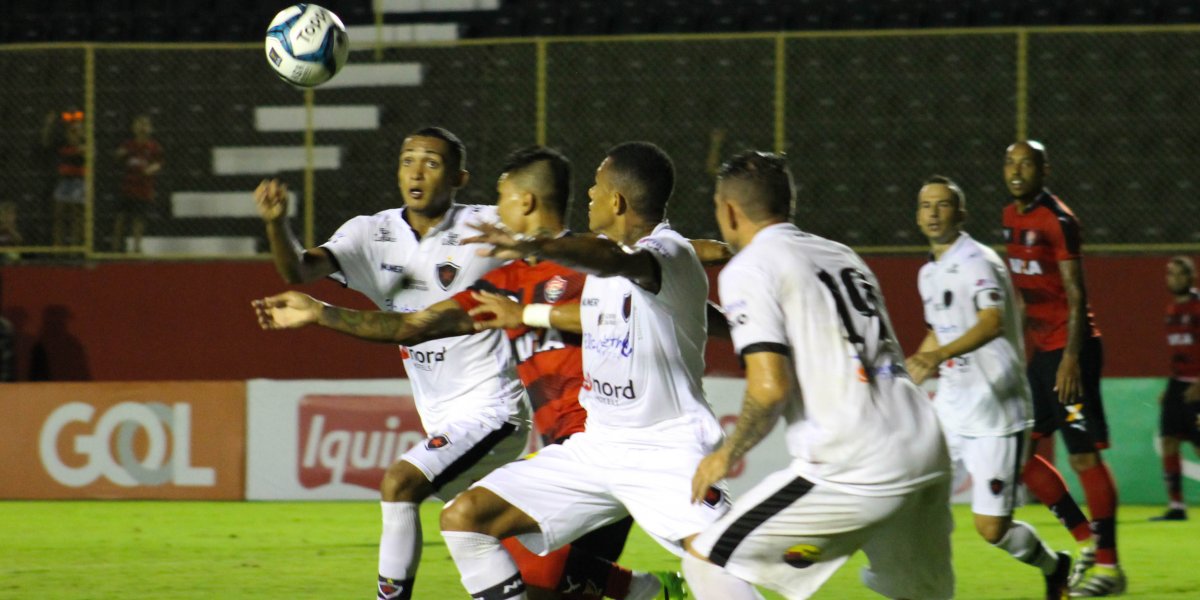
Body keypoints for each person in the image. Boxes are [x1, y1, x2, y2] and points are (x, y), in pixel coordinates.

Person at [254, 145, 686, 599]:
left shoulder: (590, 262)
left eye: (502, 199)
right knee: (507, 552)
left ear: (523, 202)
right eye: (407, 160)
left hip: (618, 444)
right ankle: (650, 590)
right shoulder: (504, 280)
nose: (495, 211)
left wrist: (531, 315)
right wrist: (319, 312)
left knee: (438, 504)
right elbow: (412, 326)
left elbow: (649, 281)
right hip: (570, 458)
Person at [434, 141, 762, 599]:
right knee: (465, 518)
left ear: (617, 201)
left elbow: (623, 263)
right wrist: (527, 308)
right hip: (597, 447)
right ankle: (645, 592)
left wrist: (537, 244)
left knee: (718, 566)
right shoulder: (605, 258)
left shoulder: (663, 252)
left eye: (596, 185)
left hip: (665, 450)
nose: (588, 193)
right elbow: (620, 290)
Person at [254, 127, 530, 600]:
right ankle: (639, 588)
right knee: (478, 533)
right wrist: (277, 224)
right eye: (408, 160)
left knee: (400, 484)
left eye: (432, 162)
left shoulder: (486, 226)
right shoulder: (371, 233)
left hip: (494, 409)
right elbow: (299, 269)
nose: (416, 172)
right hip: (443, 417)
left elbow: (556, 241)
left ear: (459, 177)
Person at [684, 151, 953, 600]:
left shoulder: (749, 268)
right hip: (924, 443)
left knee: (709, 562)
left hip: (853, 461)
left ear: (729, 211)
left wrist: (726, 454)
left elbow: (770, 388)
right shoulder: (840, 254)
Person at [906, 175, 1074, 600]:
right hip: (951, 406)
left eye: (943, 205)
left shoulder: (977, 261)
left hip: (996, 409)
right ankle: (909, 585)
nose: (933, 213)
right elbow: (937, 331)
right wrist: (910, 373)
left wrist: (938, 357)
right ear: (917, 215)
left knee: (992, 529)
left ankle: (1055, 567)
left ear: (960, 214)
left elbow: (992, 322)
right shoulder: (928, 272)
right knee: (912, 497)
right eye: (926, 205)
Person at [1002, 140, 1124, 597]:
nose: (1017, 170)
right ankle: (1086, 539)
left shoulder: (1059, 220)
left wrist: (1070, 358)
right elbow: (1023, 292)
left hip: (1072, 350)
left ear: (1044, 170)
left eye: (1026, 163)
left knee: (1082, 456)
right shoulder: (1010, 216)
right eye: (1010, 163)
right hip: (1041, 354)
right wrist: (1019, 352)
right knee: (1019, 456)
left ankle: (1110, 569)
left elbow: (1077, 295)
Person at [1153, 256, 1200, 521]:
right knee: (1169, 440)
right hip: (1177, 382)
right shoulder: (1171, 309)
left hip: (1197, 383)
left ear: (1192, 277)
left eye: (1181, 274)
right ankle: (1177, 506)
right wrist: (1170, 384)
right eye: (1171, 274)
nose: (1175, 279)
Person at [111, 114, 163, 253]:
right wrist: (120, 154)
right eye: (139, 124)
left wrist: (151, 169)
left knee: (139, 218)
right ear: (133, 128)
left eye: (145, 124)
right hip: (128, 187)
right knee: (121, 217)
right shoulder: (128, 145)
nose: (142, 128)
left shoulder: (153, 146)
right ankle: (116, 246)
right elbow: (117, 156)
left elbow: (158, 163)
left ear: (150, 128)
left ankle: (136, 247)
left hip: (143, 188)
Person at [42, 110, 86, 247]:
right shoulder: (61, 144)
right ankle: (58, 247)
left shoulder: (84, 143)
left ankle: (75, 248)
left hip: (79, 181)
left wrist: (79, 140)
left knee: (76, 215)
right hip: (64, 181)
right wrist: (48, 125)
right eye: (71, 130)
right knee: (59, 215)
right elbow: (46, 143)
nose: (74, 132)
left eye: (77, 130)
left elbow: (83, 152)